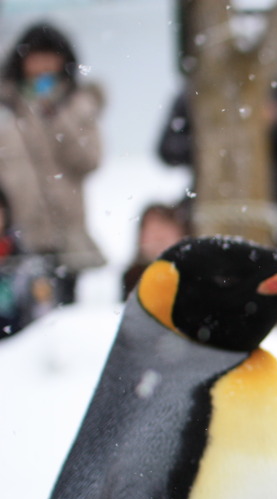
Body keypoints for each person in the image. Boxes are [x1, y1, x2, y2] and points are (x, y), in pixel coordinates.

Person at [0, 22, 105, 305]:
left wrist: (57, 117)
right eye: (35, 56)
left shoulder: (78, 106)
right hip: (15, 239)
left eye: (51, 56)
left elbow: (89, 160)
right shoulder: (7, 107)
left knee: (63, 314)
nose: (43, 65)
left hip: (65, 238)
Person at [158, 79, 277, 211]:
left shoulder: (273, 89)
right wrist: (208, 142)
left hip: (270, 202)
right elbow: (167, 151)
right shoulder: (195, 92)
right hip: (207, 204)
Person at [121, 202, 190, 300]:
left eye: (164, 230)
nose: (157, 238)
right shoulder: (133, 277)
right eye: (152, 231)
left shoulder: (193, 275)